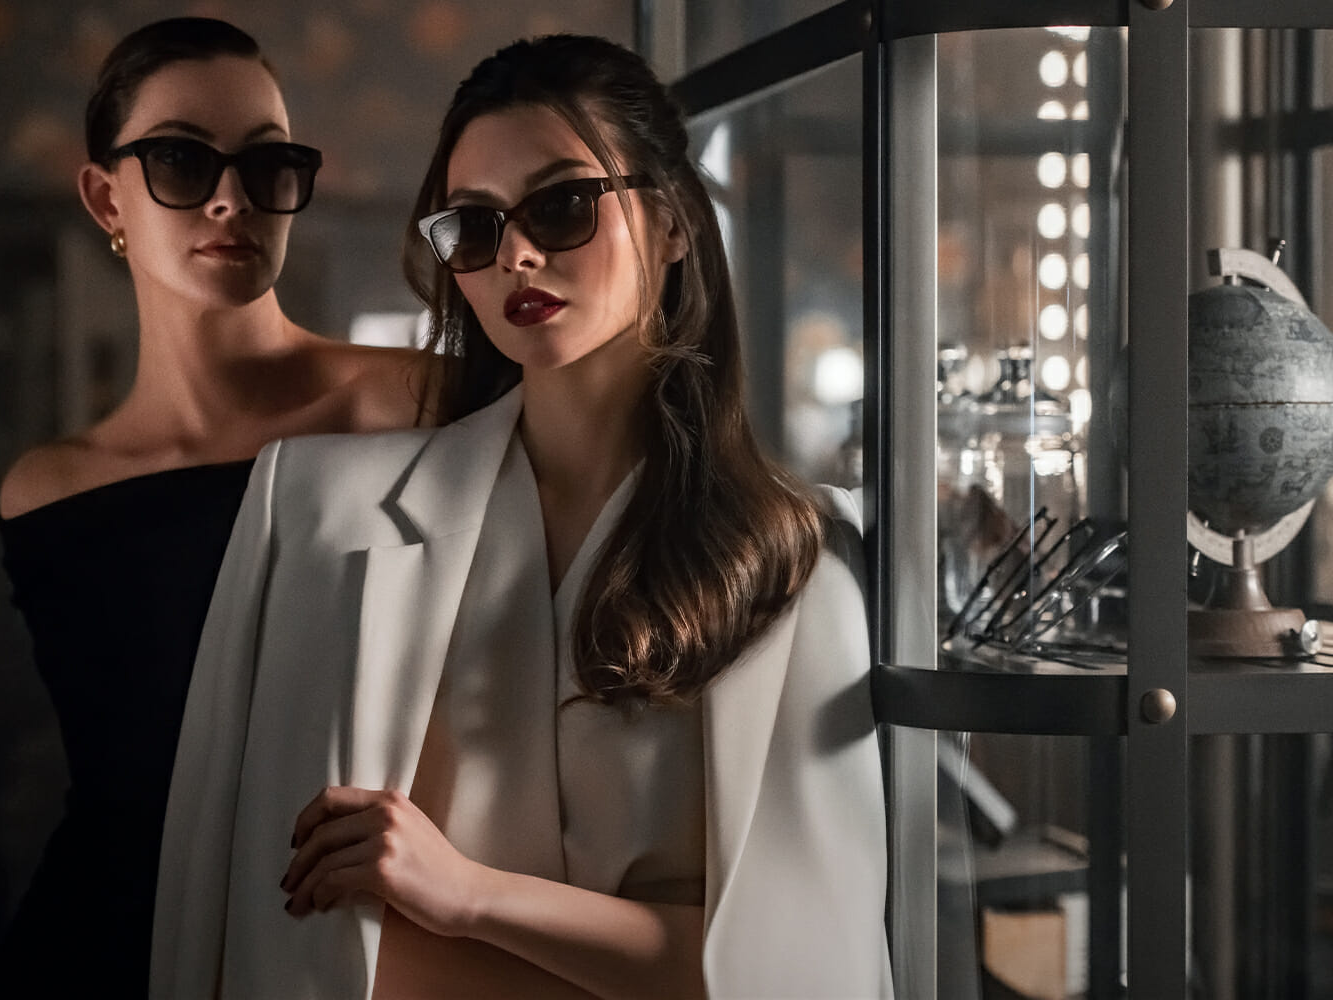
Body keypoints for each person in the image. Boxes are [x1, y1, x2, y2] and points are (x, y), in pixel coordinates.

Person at [152, 33, 891, 1000]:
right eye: (474, 226)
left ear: (670, 222)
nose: (518, 255)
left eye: (563, 205)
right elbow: (217, 910)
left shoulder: (799, 553)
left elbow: (801, 967)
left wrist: (468, 895)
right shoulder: (311, 510)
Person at [0, 17, 432, 997]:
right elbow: (125, 793)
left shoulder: (415, 405)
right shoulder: (51, 491)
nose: (232, 197)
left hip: (341, 937)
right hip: (102, 944)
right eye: (183, 159)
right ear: (106, 194)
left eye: (267, 165)